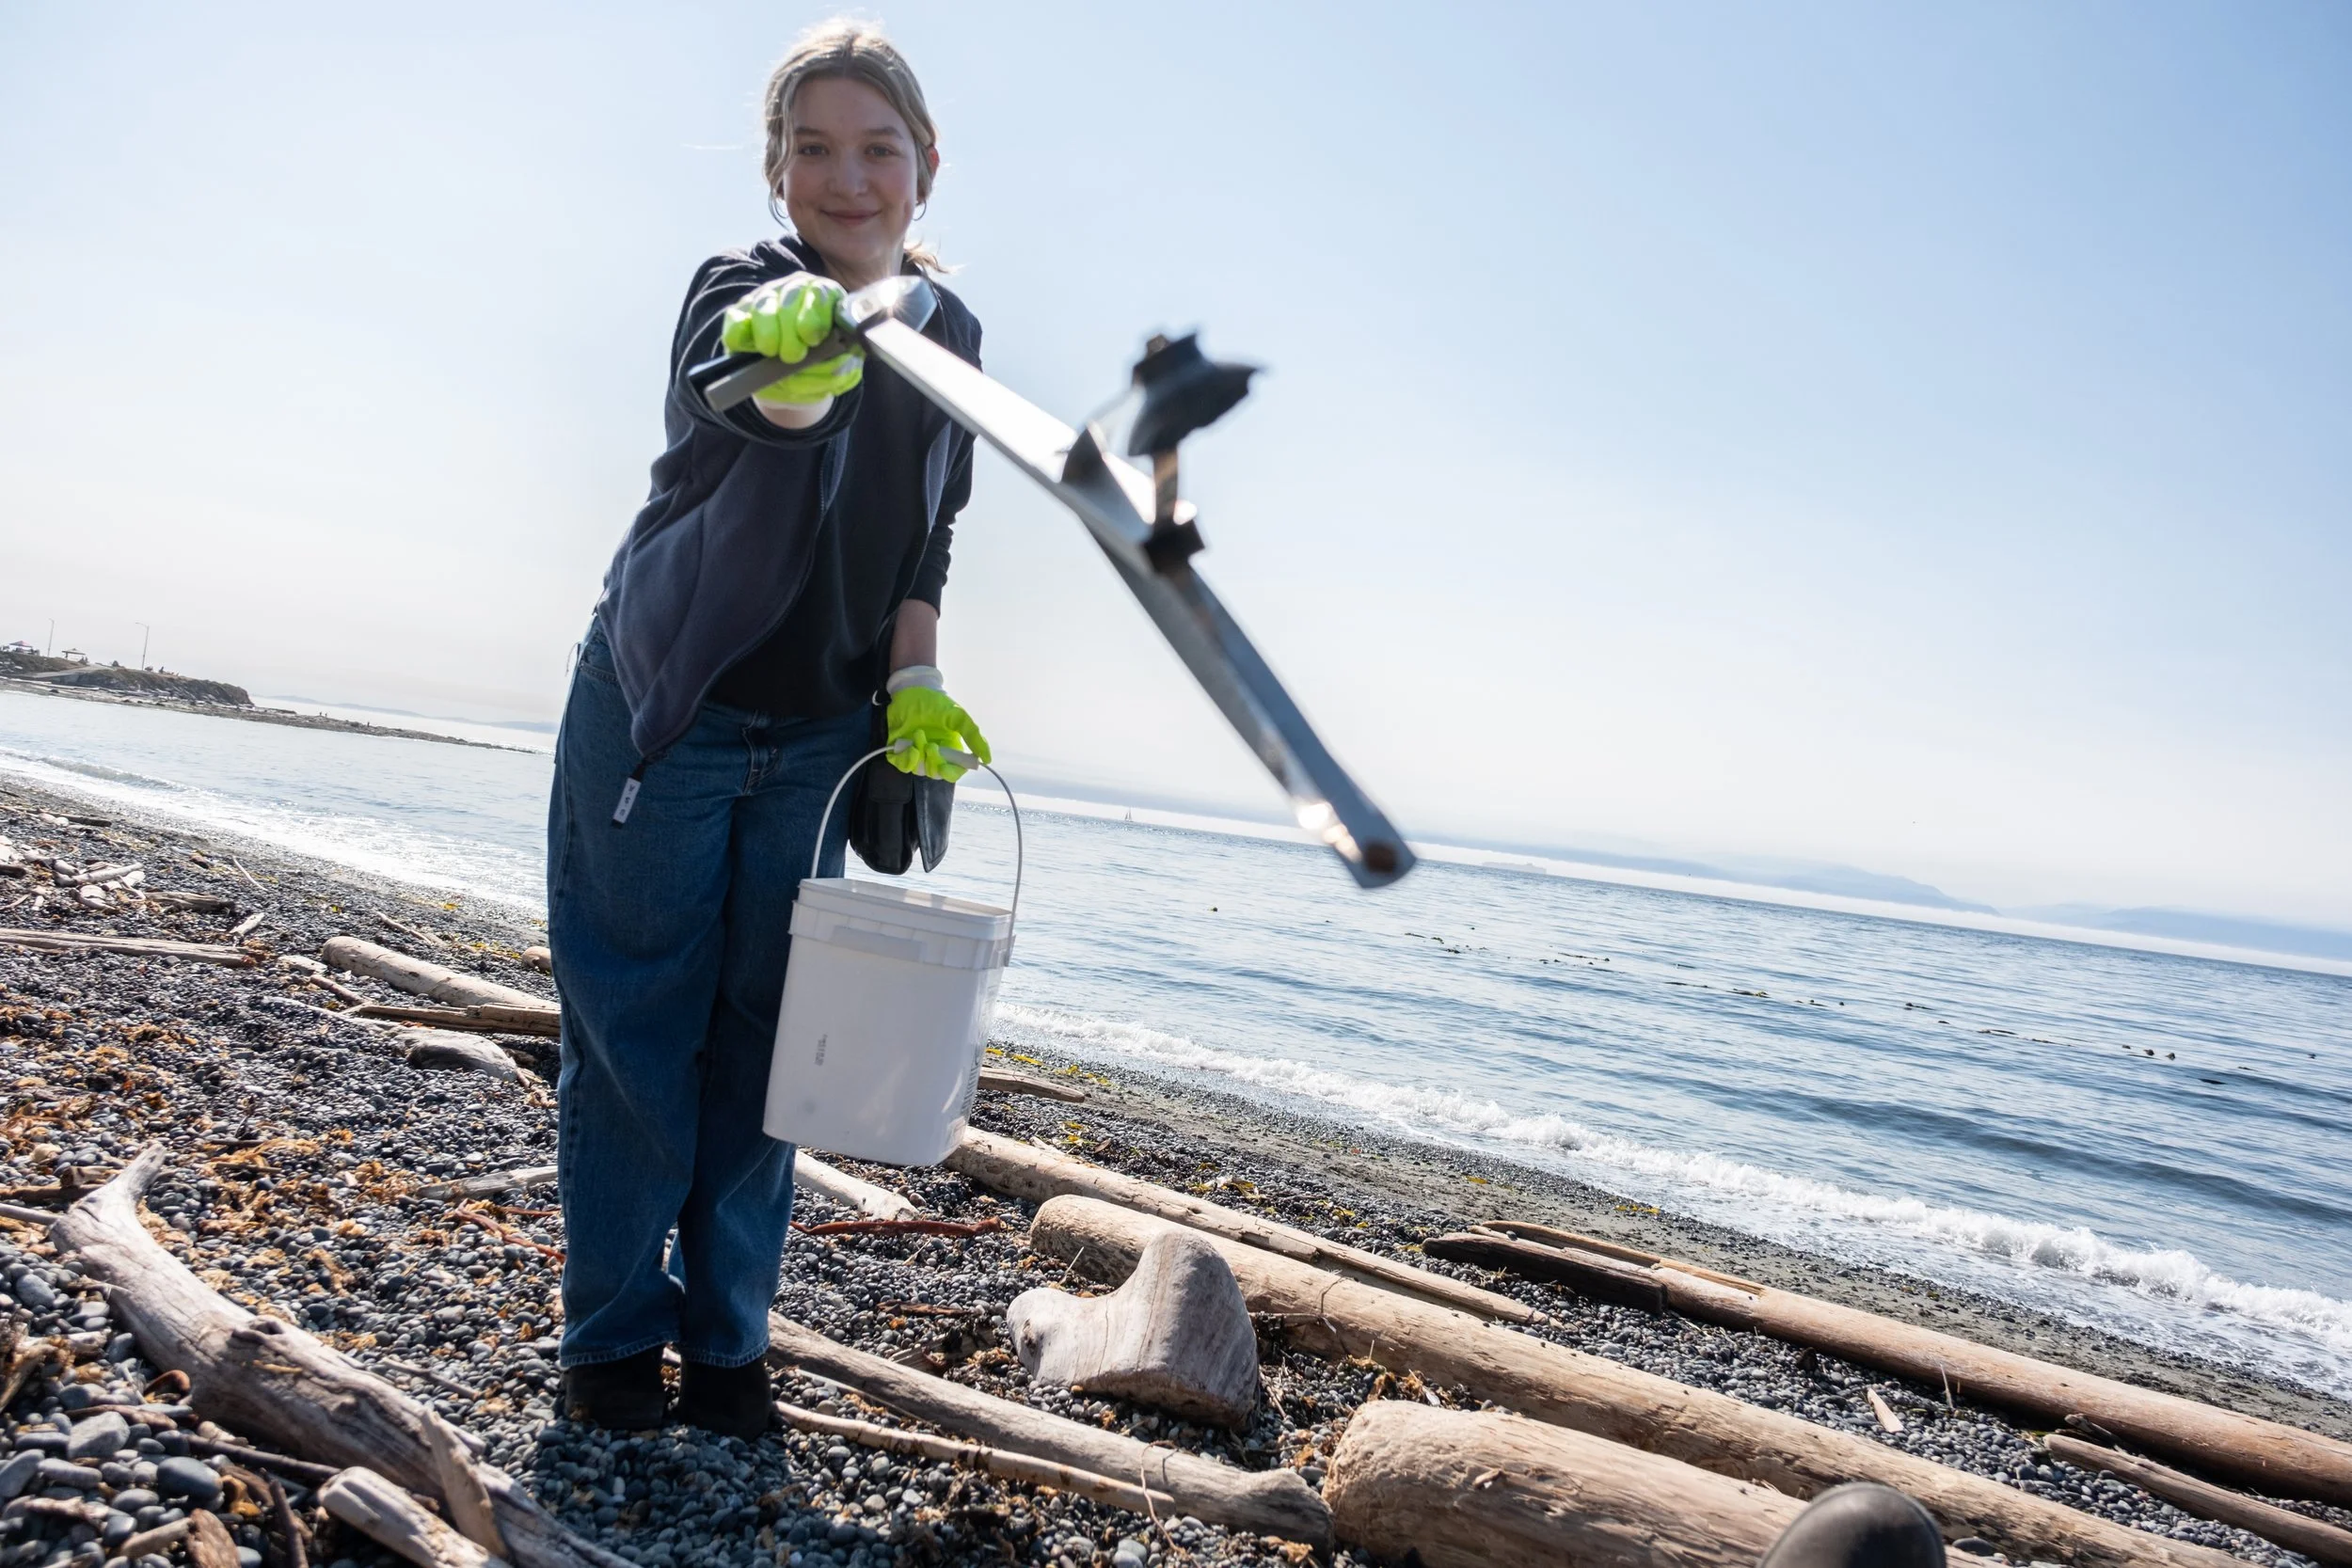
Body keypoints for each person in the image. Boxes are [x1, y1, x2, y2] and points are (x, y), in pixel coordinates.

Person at [545, 19, 990, 1438]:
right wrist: (794, 353)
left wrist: (913, 685)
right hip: (664, 713)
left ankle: (731, 1342)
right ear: (777, 169)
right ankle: (613, 1338)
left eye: (878, 149)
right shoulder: (740, 287)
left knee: (773, 1047)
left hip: (817, 740)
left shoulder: (954, 337)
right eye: (815, 149)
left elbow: (928, 540)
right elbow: (755, 398)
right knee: (636, 1032)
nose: (848, 178)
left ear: (927, 165)